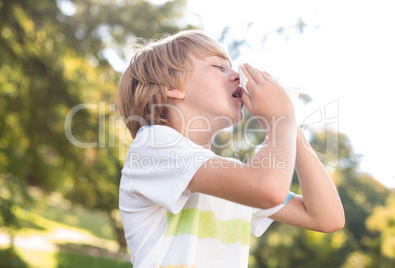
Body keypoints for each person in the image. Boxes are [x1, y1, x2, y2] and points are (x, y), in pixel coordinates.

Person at [118, 30, 345, 268]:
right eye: (218, 67)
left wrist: (290, 127)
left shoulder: (236, 178)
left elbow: (327, 217)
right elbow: (268, 188)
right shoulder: (153, 145)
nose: (237, 75)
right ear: (173, 86)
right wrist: (281, 118)